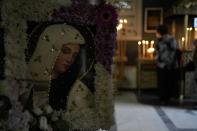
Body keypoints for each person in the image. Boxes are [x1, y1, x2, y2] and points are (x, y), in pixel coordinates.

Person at [28, 23, 98, 130]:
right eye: (66, 51)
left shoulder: (74, 86)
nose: (70, 59)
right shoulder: (28, 84)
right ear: (50, 49)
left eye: (74, 55)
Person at [155, 25, 178, 104]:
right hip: (165, 64)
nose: (156, 33)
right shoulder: (162, 40)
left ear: (159, 32)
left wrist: (160, 60)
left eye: (157, 32)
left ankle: (164, 98)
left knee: (164, 82)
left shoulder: (169, 40)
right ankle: (165, 98)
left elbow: (173, 51)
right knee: (165, 82)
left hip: (166, 64)